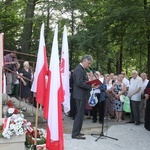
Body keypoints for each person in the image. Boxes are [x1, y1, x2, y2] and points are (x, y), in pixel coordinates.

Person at [71, 55, 97, 140]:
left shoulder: (81, 69)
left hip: (81, 94)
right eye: (88, 63)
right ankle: (75, 133)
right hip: (79, 95)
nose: (89, 65)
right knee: (79, 114)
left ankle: (77, 131)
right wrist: (90, 86)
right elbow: (78, 82)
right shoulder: (78, 69)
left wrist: (89, 83)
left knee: (81, 114)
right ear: (84, 61)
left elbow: (82, 81)